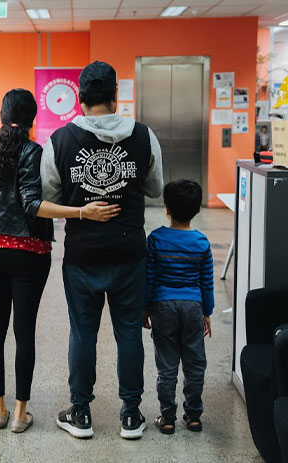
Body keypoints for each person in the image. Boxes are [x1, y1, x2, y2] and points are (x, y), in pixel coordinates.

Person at [0, 88, 120, 434]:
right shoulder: (33, 151)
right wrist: (82, 211)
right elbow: (31, 203)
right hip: (30, 256)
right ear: (33, 119)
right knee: (24, 331)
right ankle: (20, 413)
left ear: (1, 113)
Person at [40, 61, 163, 440]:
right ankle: (131, 415)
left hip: (82, 256)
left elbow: (48, 196)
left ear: (79, 98)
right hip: (129, 254)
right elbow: (156, 189)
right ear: (114, 97)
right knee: (129, 333)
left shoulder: (59, 141)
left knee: (82, 333)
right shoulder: (144, 136)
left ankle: (80, 413)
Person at [143, 179, 213, 435]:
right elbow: (207, 282)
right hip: (193, 306)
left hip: (163, 307)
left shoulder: (156, 240)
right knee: (195, 364)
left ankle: (168, 418)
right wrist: (207, 312)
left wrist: (145, 307)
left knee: (167, 365)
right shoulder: (201, 243)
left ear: (166, 208)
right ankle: (193, 416)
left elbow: (149, 277)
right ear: (197, 210)